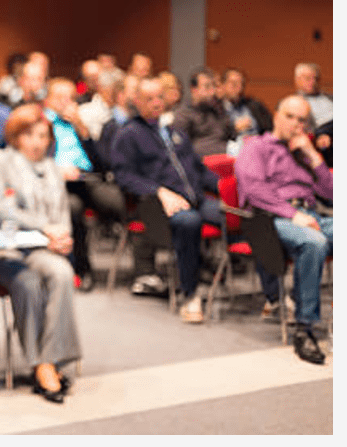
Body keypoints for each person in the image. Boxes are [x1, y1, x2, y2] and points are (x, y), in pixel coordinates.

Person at [0, 104, 83, 403]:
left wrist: (62, 237)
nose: (37, 141)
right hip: (2, 249)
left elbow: (62, 215)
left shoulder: (52, 168)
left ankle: (50, 360)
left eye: (43, 135)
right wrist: (45, 227)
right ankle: (41, 366)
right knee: (29, 283)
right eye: (29, 135)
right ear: (16, 136)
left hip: (38, 248)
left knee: (61, 272)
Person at [111, 77, 223, 323]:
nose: (156, 103)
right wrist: (159, 191)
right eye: (149, 99)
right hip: (156, 208)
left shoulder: (175, 132)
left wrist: (224, 187)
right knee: (188, 222)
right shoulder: (128, 135)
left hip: (196, 199)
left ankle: (271, 296)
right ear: (137, 101)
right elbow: (124, 177)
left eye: (160, 97)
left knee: (239, 216)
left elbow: (198, 168)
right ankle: (190, 294)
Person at [234, 95, 332, 365]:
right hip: (273, 218)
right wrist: (293, 213)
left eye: (302, 120)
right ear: (276, 115)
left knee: (317, 235)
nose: (296, 124)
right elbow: (254, 190)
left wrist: (313, 155)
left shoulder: (303, 153)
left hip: (311, 214)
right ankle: (305, 328)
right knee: (314, 242)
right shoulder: (256, 147)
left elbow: (332, 194)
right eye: (290, 116)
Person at [43, 78, 127, 291]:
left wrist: (83, 129)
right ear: (48, 100)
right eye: (60, 98)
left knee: (118, 202)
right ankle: (81, 269)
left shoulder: (79, 124)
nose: (66, 103)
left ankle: (145, 266)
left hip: (87, 179)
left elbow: (102, 163)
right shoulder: (42, 123)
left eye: (70, 98)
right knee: (73, 208)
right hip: (56, 184)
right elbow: (33, 162)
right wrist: (56, 171)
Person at [172, 67, 236, 158]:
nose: (212, 92)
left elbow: (232, 136)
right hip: (202, 163)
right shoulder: (183, 114)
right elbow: (182, 149)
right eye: (207, 87)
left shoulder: (217, 110)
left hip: (226, 158)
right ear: (194, 90)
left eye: (213, 86)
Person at [218, 68, 272, 151]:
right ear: (223, 85)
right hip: (231, 153)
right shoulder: (216, 109)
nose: (239, 89)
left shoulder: (254, 104)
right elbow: (215, 137)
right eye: (234, 84)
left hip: (258, 149)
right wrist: (234, 129)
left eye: (242, 84)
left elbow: (270, 129)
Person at [293, 62, 332, 166]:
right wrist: (319, 136)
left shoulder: (330, 99)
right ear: (297, 80)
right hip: (318, 144)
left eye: (315, 78)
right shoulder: (294, 103)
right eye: (307, 78)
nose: (313, 82)